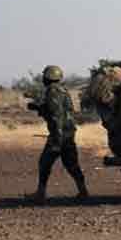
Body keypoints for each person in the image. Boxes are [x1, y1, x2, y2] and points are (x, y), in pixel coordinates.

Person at [27, 65, 88, 203]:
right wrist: (38, 107)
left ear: (48, 77)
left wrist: (57, 139)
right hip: (68, 132)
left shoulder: (52, 92)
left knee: (44, 163)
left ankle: (40, 193)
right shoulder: (63, 91)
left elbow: (56, 116)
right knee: (72, 164)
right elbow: (62, 111)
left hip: (59, 134)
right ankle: (83, 191)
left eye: (44, 76)